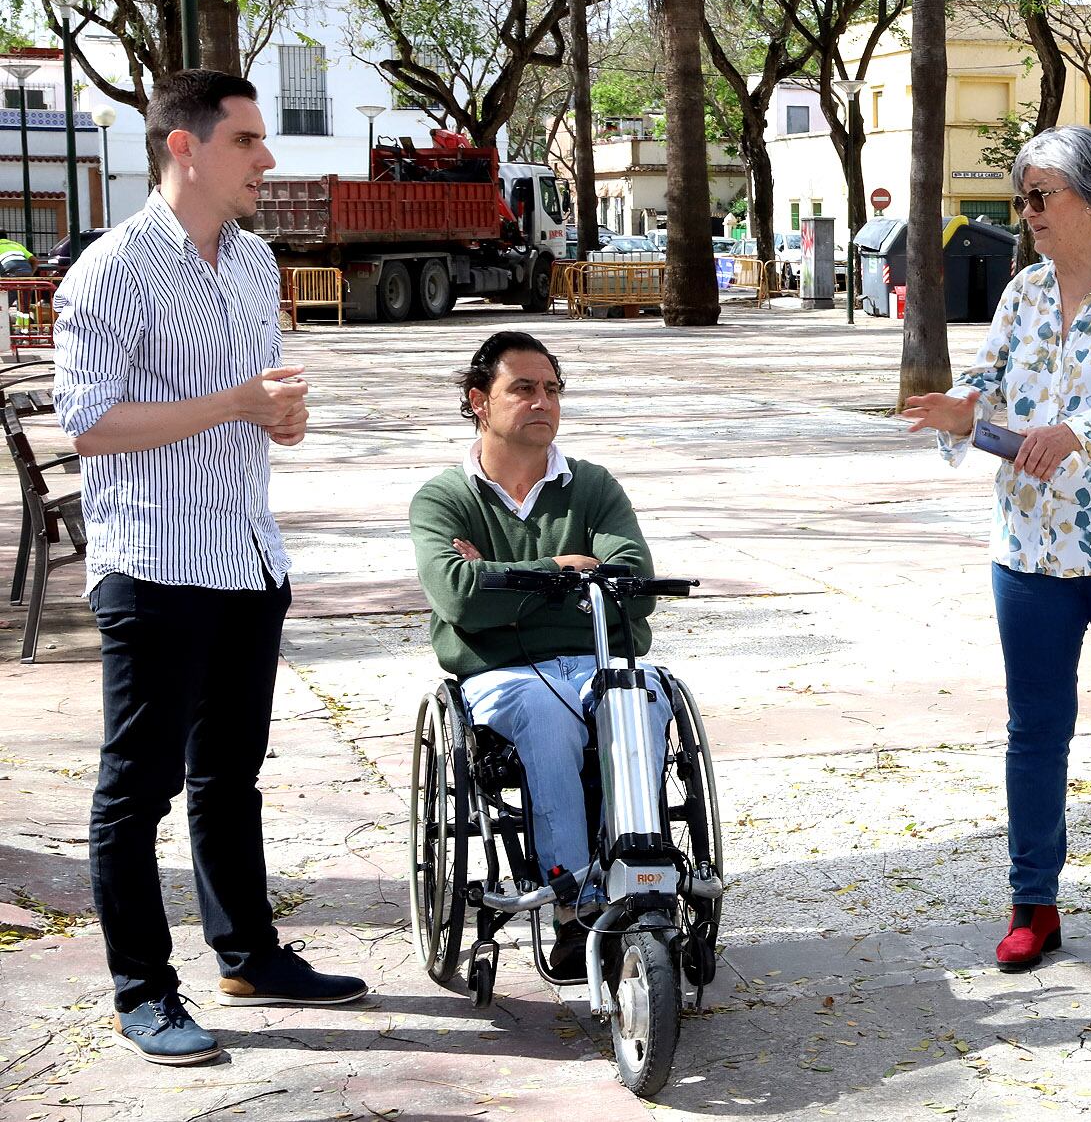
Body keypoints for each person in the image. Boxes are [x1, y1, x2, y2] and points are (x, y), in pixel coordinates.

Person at [52, 69, 366, 1067]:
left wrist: (282, 414)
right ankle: (143, 990)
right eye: (247, 141)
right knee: (134, 791)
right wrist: (235, 403)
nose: (267, 160)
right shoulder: (111, 270)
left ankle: (248, 952)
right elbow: (89, 422)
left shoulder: (251, 260)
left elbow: (266, 406)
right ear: (182, 147)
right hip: (154, 561)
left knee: (230, 776)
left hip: (245, 556)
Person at [903, 125, 1091, 974]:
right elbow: (989, 379)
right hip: (1029, 552)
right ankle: (1032, 903)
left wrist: (1075, 432)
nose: (1028, 213)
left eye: (1041, 196)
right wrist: (960, 410)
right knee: (1034, 731)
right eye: (1024, 199)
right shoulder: (1023, 294)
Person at [409, 330, 671, 978]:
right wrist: (562, 571)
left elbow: (633, 587)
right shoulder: (443, 499)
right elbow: (460, 599)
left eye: (551, 388)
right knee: (545, 712)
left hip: (597, 664)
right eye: (522, 388)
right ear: (480, 401)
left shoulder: (593, 487)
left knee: (641, 693)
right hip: (499, 678)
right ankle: (575, 909)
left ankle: (640, 884)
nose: (541, 401)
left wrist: (506, 579)